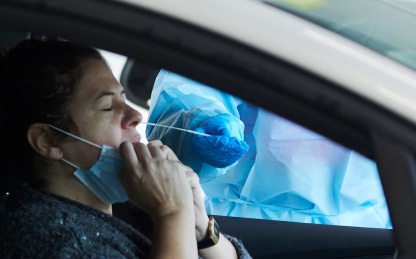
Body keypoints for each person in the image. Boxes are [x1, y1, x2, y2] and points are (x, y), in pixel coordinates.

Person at [0, 40, 257, 259]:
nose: (136, 115)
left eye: (124, 98)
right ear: (47, 140)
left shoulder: (134, 210)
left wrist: (197, 224)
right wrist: (173, 213)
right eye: (108, 107)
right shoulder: (45, 241)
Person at [146, 70, 391, 229]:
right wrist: (203, 121)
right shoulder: (248, 18)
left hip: (367, 226)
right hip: (242, 223)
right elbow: (187, 88)